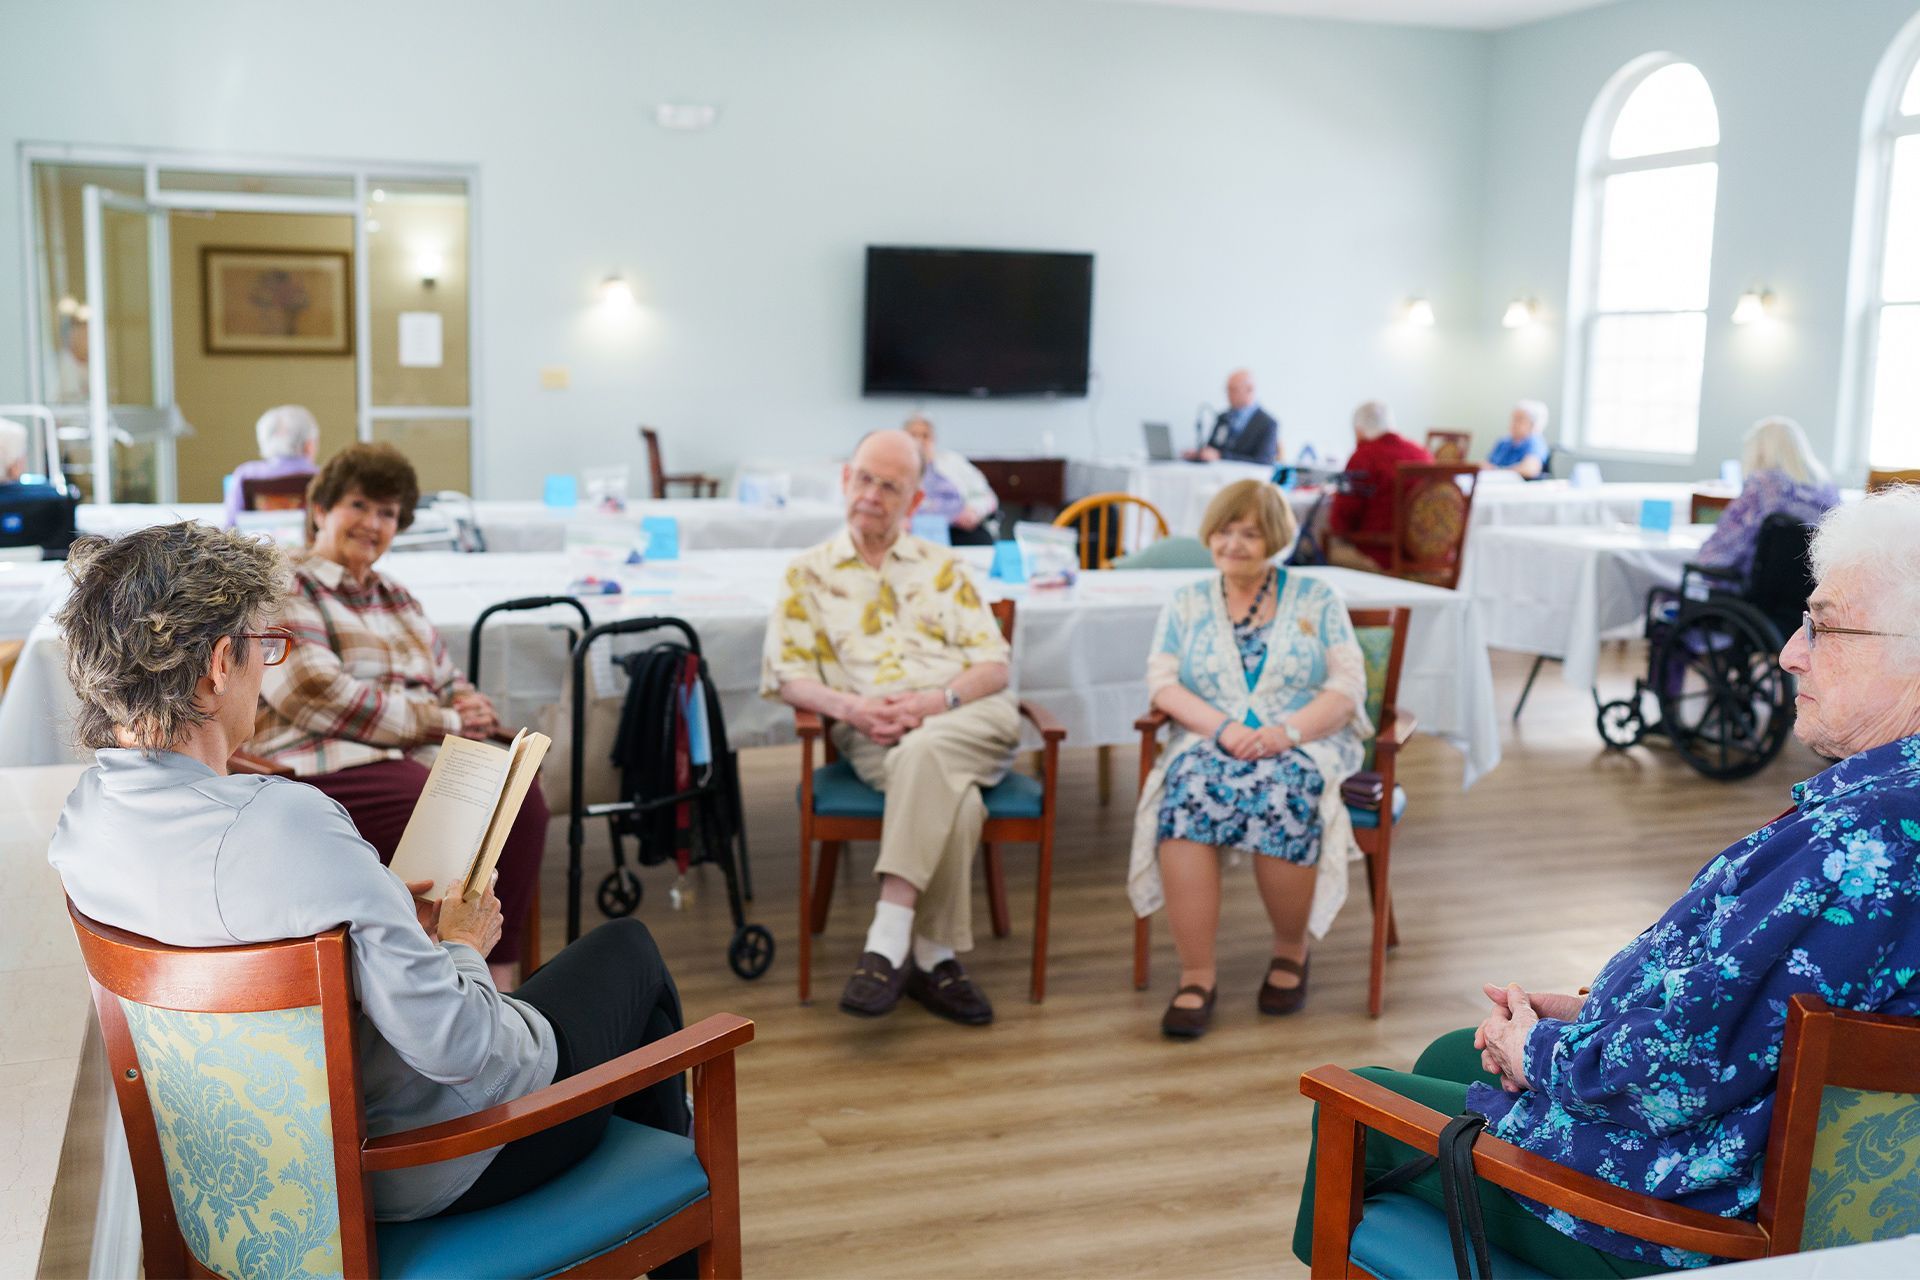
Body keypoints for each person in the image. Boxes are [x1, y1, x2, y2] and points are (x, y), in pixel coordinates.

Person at [1293, 486, 1920, 1277]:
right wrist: (1595, 1012)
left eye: (1822, 626)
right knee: (1456, 1051)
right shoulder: (1884, 809)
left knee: (1355, 1103)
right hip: (1743, 1134)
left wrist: (1539, 1050)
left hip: (1681, 1215)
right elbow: (1765, 1012)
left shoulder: (1867, 847)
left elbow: (1676, 1078)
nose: (1791, 652)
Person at [46, 521, 695, 1263]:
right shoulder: (288, 824)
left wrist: (383, 917)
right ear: (220, 664)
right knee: (630, 954)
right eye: (265, 647)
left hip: (253, 1177)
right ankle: (664, 1233)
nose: (268, 666)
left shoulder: (83, 823)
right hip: (413, 1165)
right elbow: (462, 1049)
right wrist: (460, 944)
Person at [249, 443, 546, 989]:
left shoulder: (398, 597)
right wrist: (448, 721)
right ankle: (428, 977)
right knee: (453, 813)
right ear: (322, 509)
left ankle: (498, 982)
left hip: (415, 757)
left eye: (387, 514)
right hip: (322, 764)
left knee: (521, 799)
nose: (372, 524)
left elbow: (446, 678)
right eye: (359, 506)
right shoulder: (285, 583)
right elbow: (314, 693)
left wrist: (466, 702)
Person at [762, 428, 1019, 1025]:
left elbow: (995, 665)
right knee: (949, 790)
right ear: (845, 481)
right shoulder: (807, 575)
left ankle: (888, 932)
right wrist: (851, 709)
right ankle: (935, 956)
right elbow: (788, 676)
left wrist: (936, 699)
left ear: (916, 503)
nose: (872, 494)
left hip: (967, 716)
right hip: (875, 732)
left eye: (890, 486)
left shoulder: (944, 567)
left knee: (927, 748)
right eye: (864, 479)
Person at [1128, 481, 1368, 1038]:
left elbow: (1348, 684)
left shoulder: (1316, 597)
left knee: (1281, 788)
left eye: (1250, 532)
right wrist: (1225, 729)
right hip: (1212, 738)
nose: (1232, 543)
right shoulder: (1186, 601)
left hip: (1305, 739)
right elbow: (1162, 684)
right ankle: (1196, 974)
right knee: (1185, 787)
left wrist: (1286, 733)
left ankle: (1290, 951)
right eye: (1224, 530)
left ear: (1275, 538)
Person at [1697, 416, 1842, 577]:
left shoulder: (1761, 484)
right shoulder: (1828, 489)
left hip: (1755, 586)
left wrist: (1702, 554)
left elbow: (1724, 544)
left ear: (1759, 451)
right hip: (1808, 587)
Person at [1326, 400, 1434, 572]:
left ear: (1359, 431)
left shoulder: (1363, 458)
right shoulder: (1423, 454)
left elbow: (1340, 524)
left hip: (1381, 558)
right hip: (1426, 557)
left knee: (1316, 548)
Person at [902, 414, 999, 545]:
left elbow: (988, 497)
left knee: (982, 540)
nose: (920, 440)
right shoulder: (894, 467)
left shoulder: (953, 462)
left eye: (925, 435)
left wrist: (973, 511)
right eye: (913, 435)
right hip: (912, 532)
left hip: (957, 529)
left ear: (933, 439)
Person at [222, 404, 321, 527]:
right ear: (309, 444)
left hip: (258, 545)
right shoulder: (322, 477)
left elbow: (231, 525)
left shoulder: (245, 474)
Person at [1185, 368, 1281, 464]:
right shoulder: (1223, 418)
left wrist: (1221, 456)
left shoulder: (1268, 423)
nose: (1228, 395)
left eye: (1233, 390)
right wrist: (1199, 455)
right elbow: (1212, 449)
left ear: (1250, 389)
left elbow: (1263, 461)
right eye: (1227, 390)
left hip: (1246, 477)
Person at [1487, 399, 1551, 479]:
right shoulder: (1503, 442)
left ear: (1533, 425)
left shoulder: (1535, 442)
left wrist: (1498, 471)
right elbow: (1488, 465)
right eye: (1513, 419)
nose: (1513, 423)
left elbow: (1530, 469)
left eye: (1519, 420)